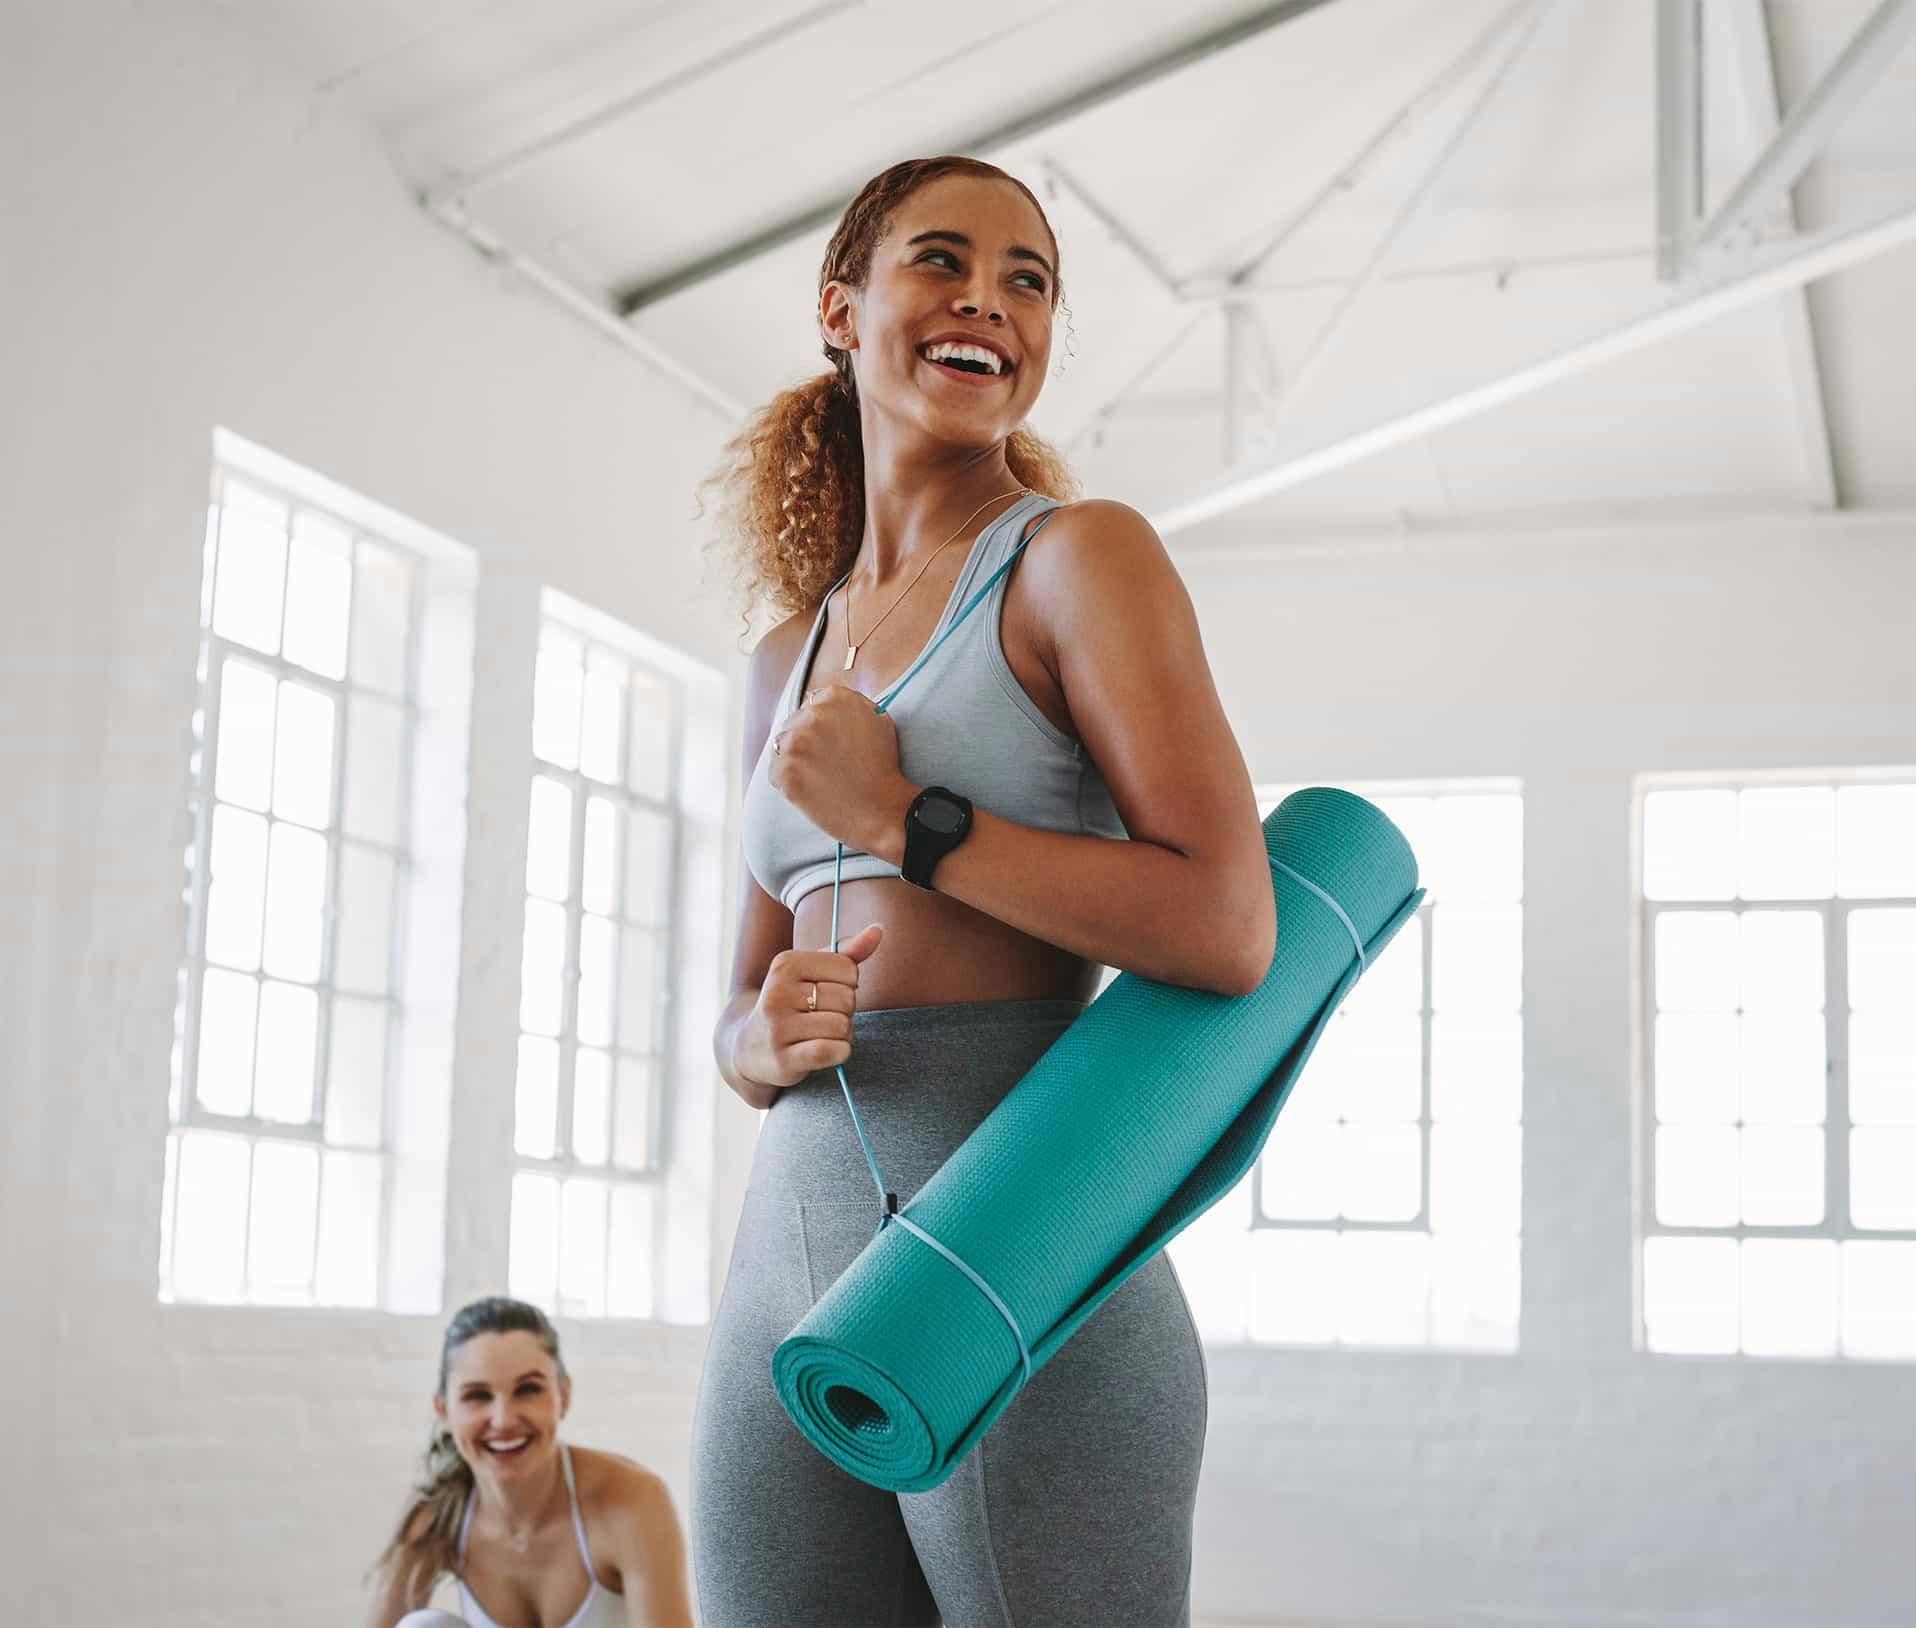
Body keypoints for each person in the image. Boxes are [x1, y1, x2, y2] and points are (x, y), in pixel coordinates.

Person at [689, 155, 1275, 1625]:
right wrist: (755, 1042)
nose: (988, 302)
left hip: (1015, 1249)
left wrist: (903, 818)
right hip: (787, 1249)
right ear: (841, 309)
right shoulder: (784, 657)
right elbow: (738, 1007)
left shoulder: (1078, 562)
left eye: (1029, 281)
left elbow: (1227, 923)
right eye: (941, 262)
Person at [365, 1295, 694, 1627]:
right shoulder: (435, 1511)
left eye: (528, 1390)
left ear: (562, 1397)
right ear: (444, 1411)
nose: (503, 1419)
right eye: (477, 1395)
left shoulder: (631, 1500)